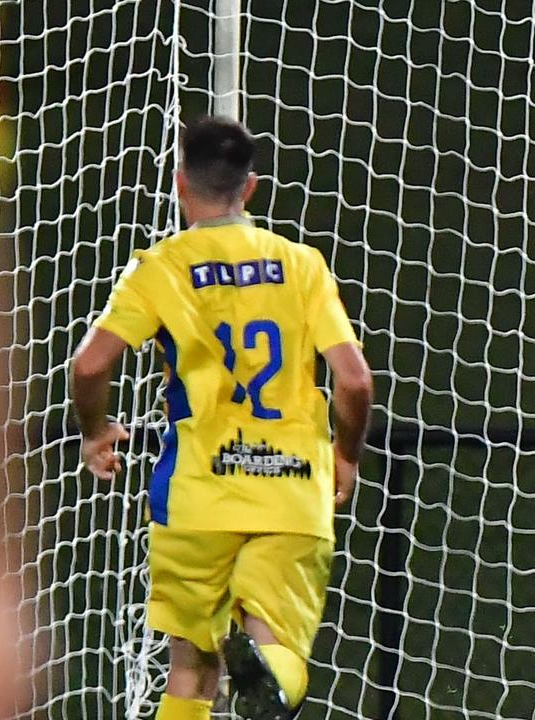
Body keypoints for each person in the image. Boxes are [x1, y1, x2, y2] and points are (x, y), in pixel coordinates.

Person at [69, 116, 373, 720]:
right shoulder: (304, 264)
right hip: (290, 490)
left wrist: (96, 432)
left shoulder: (160, 267)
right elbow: (355, 379)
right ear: (251, 188)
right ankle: (271, 673)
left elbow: (88, 366)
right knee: (278, 647)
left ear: (180, 184)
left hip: (197, 494)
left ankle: (250, 675)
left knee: (190, 671)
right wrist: (346, 455)